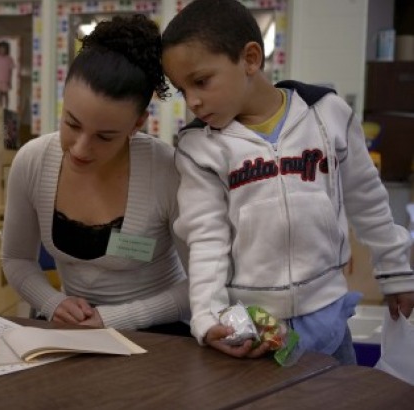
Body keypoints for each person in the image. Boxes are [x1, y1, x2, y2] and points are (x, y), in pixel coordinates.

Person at [161, 0, 414, 364]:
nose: (193, 102)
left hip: (329, 315)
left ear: (250, 59)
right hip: (255, 331)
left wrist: (396, 272)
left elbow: (368, 200)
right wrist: (207, 317)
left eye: (201, 81)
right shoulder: (199, 148)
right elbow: (206, 239)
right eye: (182, 90)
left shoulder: (326, 114)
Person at [2, 14, 191, 336]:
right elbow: (17, 258)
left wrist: (115, 319)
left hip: (159, 332)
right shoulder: (32, 161)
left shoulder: (168, 171)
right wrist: (53, 303)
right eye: (71, 124)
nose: (80, 148)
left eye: (105, 137)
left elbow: (203, 282)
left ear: (137, 124)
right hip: (73, 328)